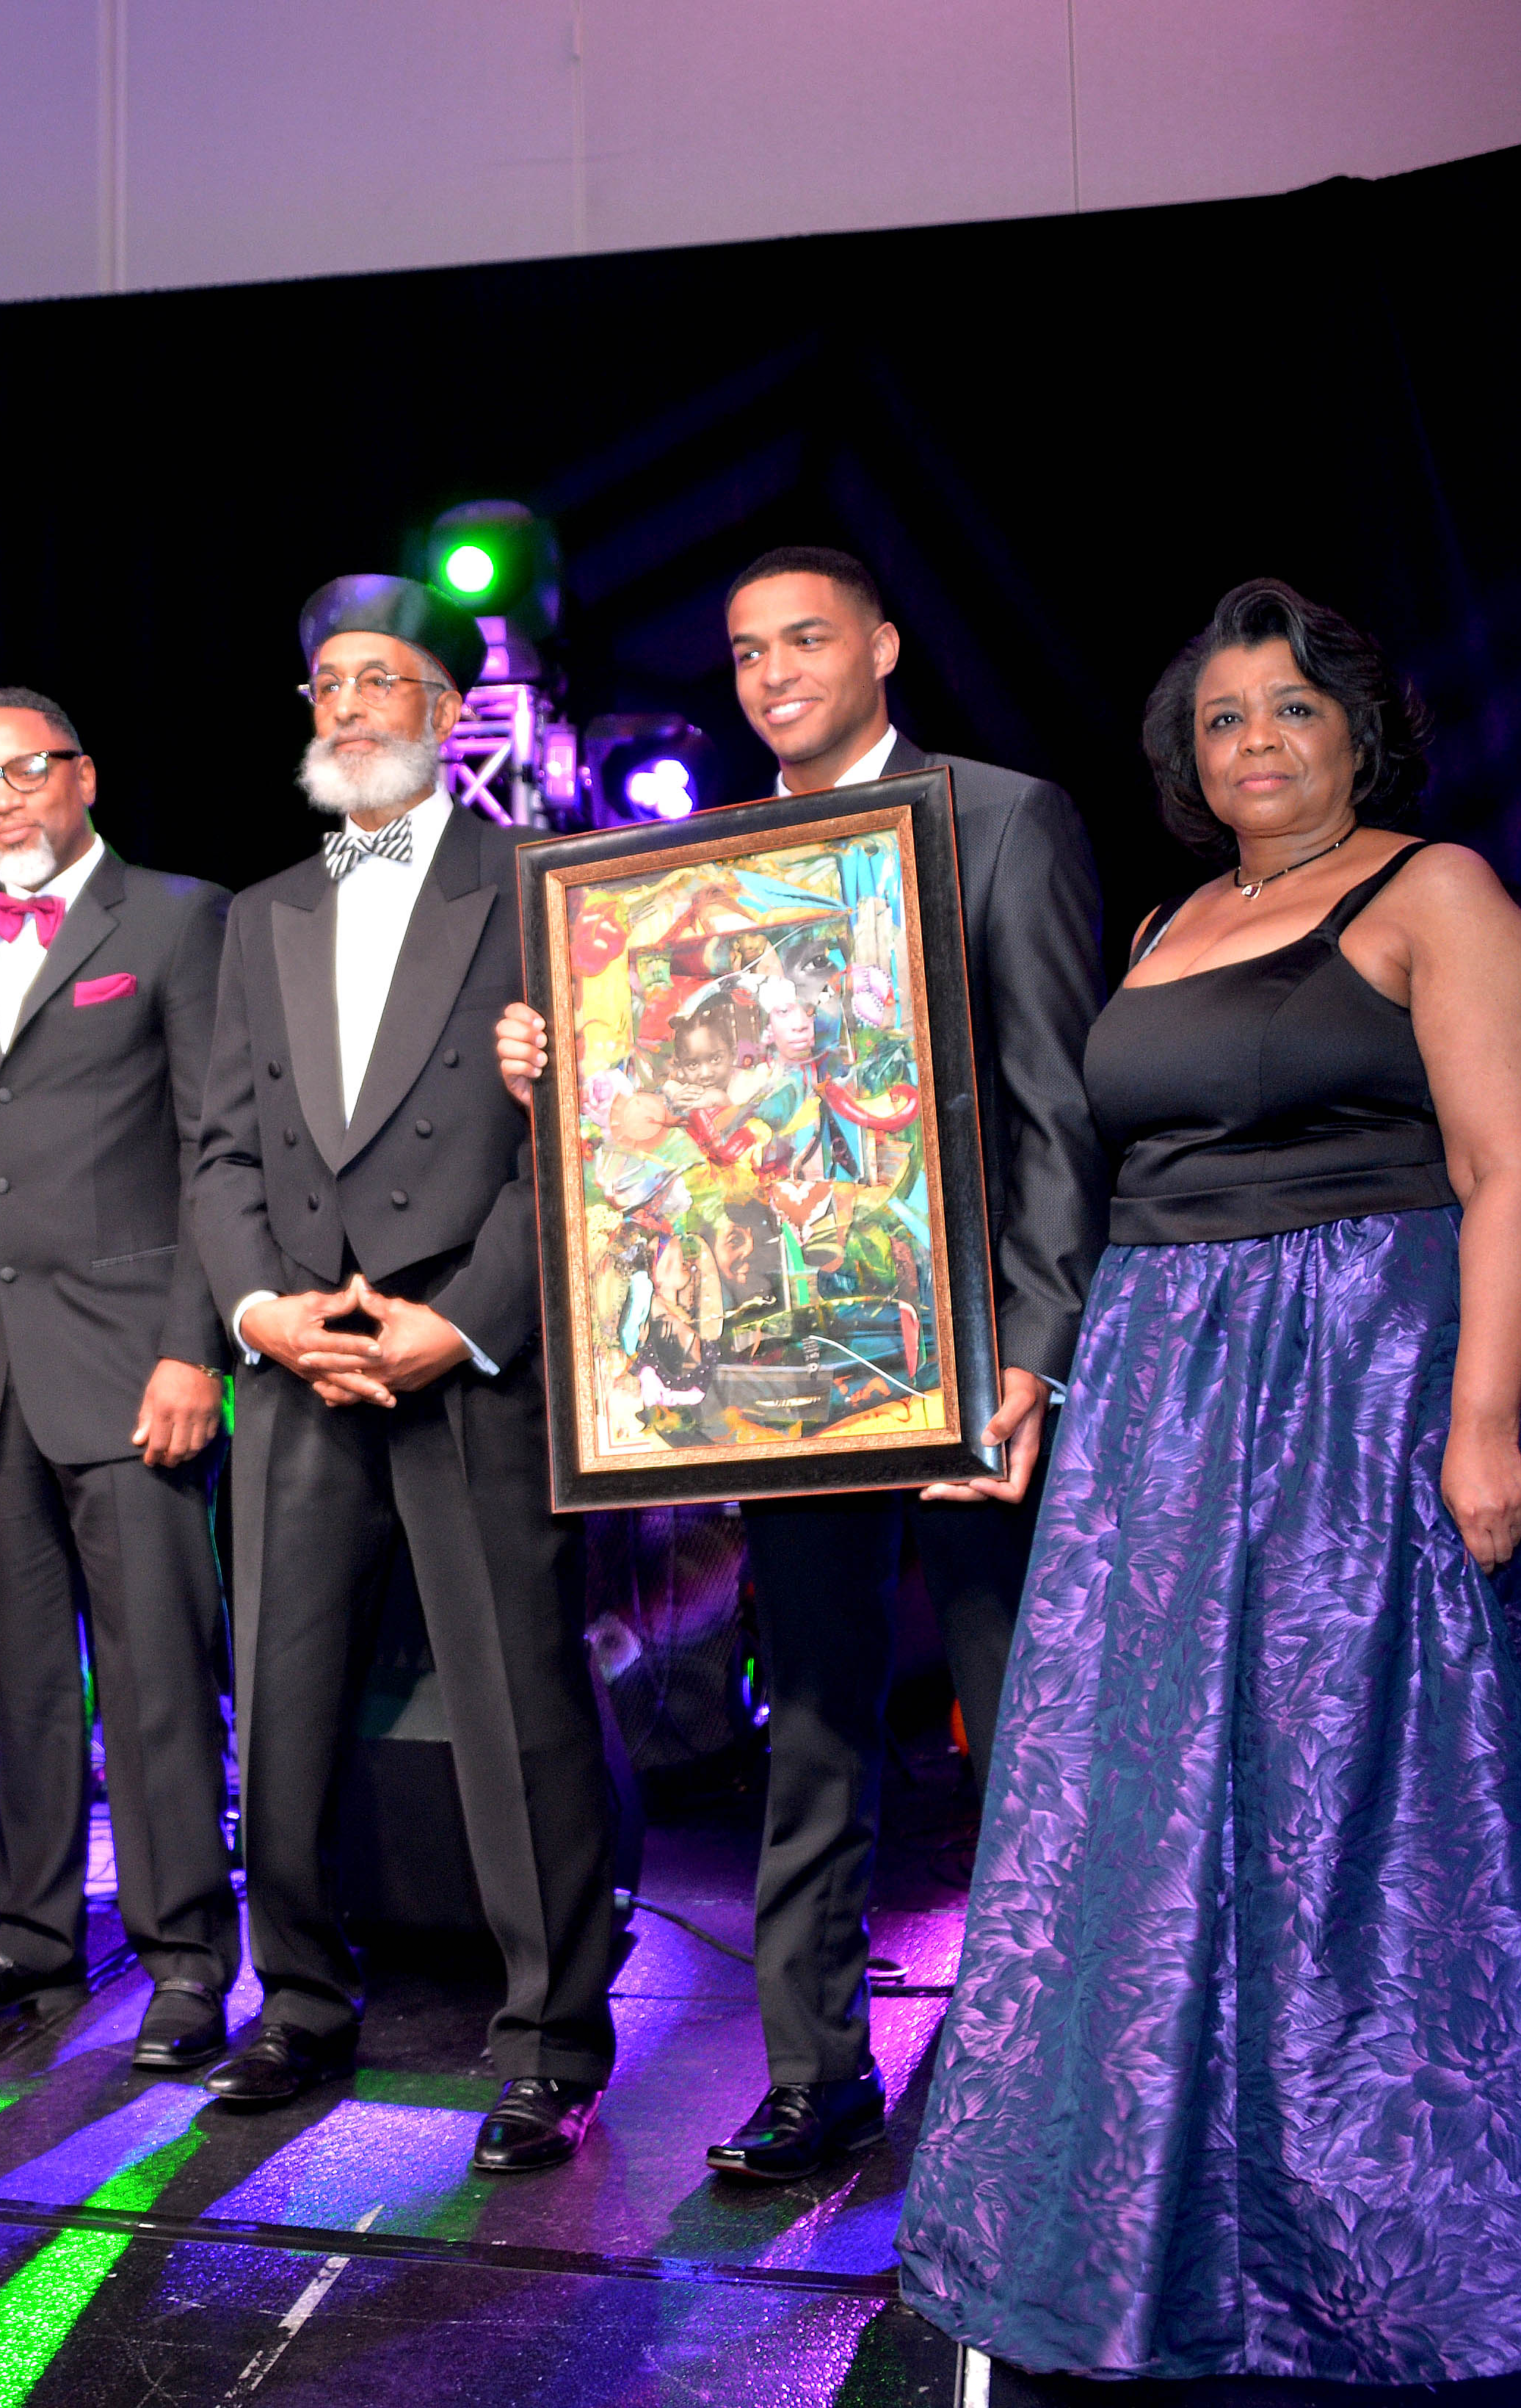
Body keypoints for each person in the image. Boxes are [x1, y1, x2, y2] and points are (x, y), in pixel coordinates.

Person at [892, 580, 1521, 2377]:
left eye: (1294, 710)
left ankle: (1400, 2250)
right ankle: (1150, 2231)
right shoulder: (1174, 915)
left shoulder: (1440, 892)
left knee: (1375, 1807)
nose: (1257, 741)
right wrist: (1039, 1379)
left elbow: (1503, 1170)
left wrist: (1486, 1418)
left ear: (1360, 732)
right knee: (1149, 1804)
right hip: (1162, 1396)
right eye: (1226, 715)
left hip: (1363, 1373)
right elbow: (1100, 1181)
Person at [495, 543, 1109, 2181]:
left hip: (974, 1373)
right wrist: (553, 1050)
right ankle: (813, 2070)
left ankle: (1054, 2084)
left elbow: (1055, 1108)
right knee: (815, 1728)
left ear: (885, 645)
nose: (771, 670)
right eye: (748, 648)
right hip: (790, 1373)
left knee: (1023, 1728)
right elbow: (653, 1137)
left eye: (807, 637)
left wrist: (1035, 1348)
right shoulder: (683, 874)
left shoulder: (1003, 815)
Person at [188, 576, 623, 2175]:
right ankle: (298, 1999)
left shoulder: (542, 882)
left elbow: (576, 1140)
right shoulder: (265, 913)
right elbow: (221, 1145)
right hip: (301, 1356)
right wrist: (258, 1311)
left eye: (384, 679)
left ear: (448, 715)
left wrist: (472, 1312)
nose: (352, 703)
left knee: (517, 1701)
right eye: (326, 680)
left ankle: (550, 2037)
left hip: (463, 1344)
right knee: (284, 1700)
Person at [0, 689, 237, 2070]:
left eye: (25, 772)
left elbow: (214, 1145)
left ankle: (187, 1958)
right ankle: (28, 1932)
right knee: (24, 1679)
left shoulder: (174, 919)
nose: (4, 802)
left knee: (156, 1679)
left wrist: (189, 1345)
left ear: (82, 776)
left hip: (131, 1364)